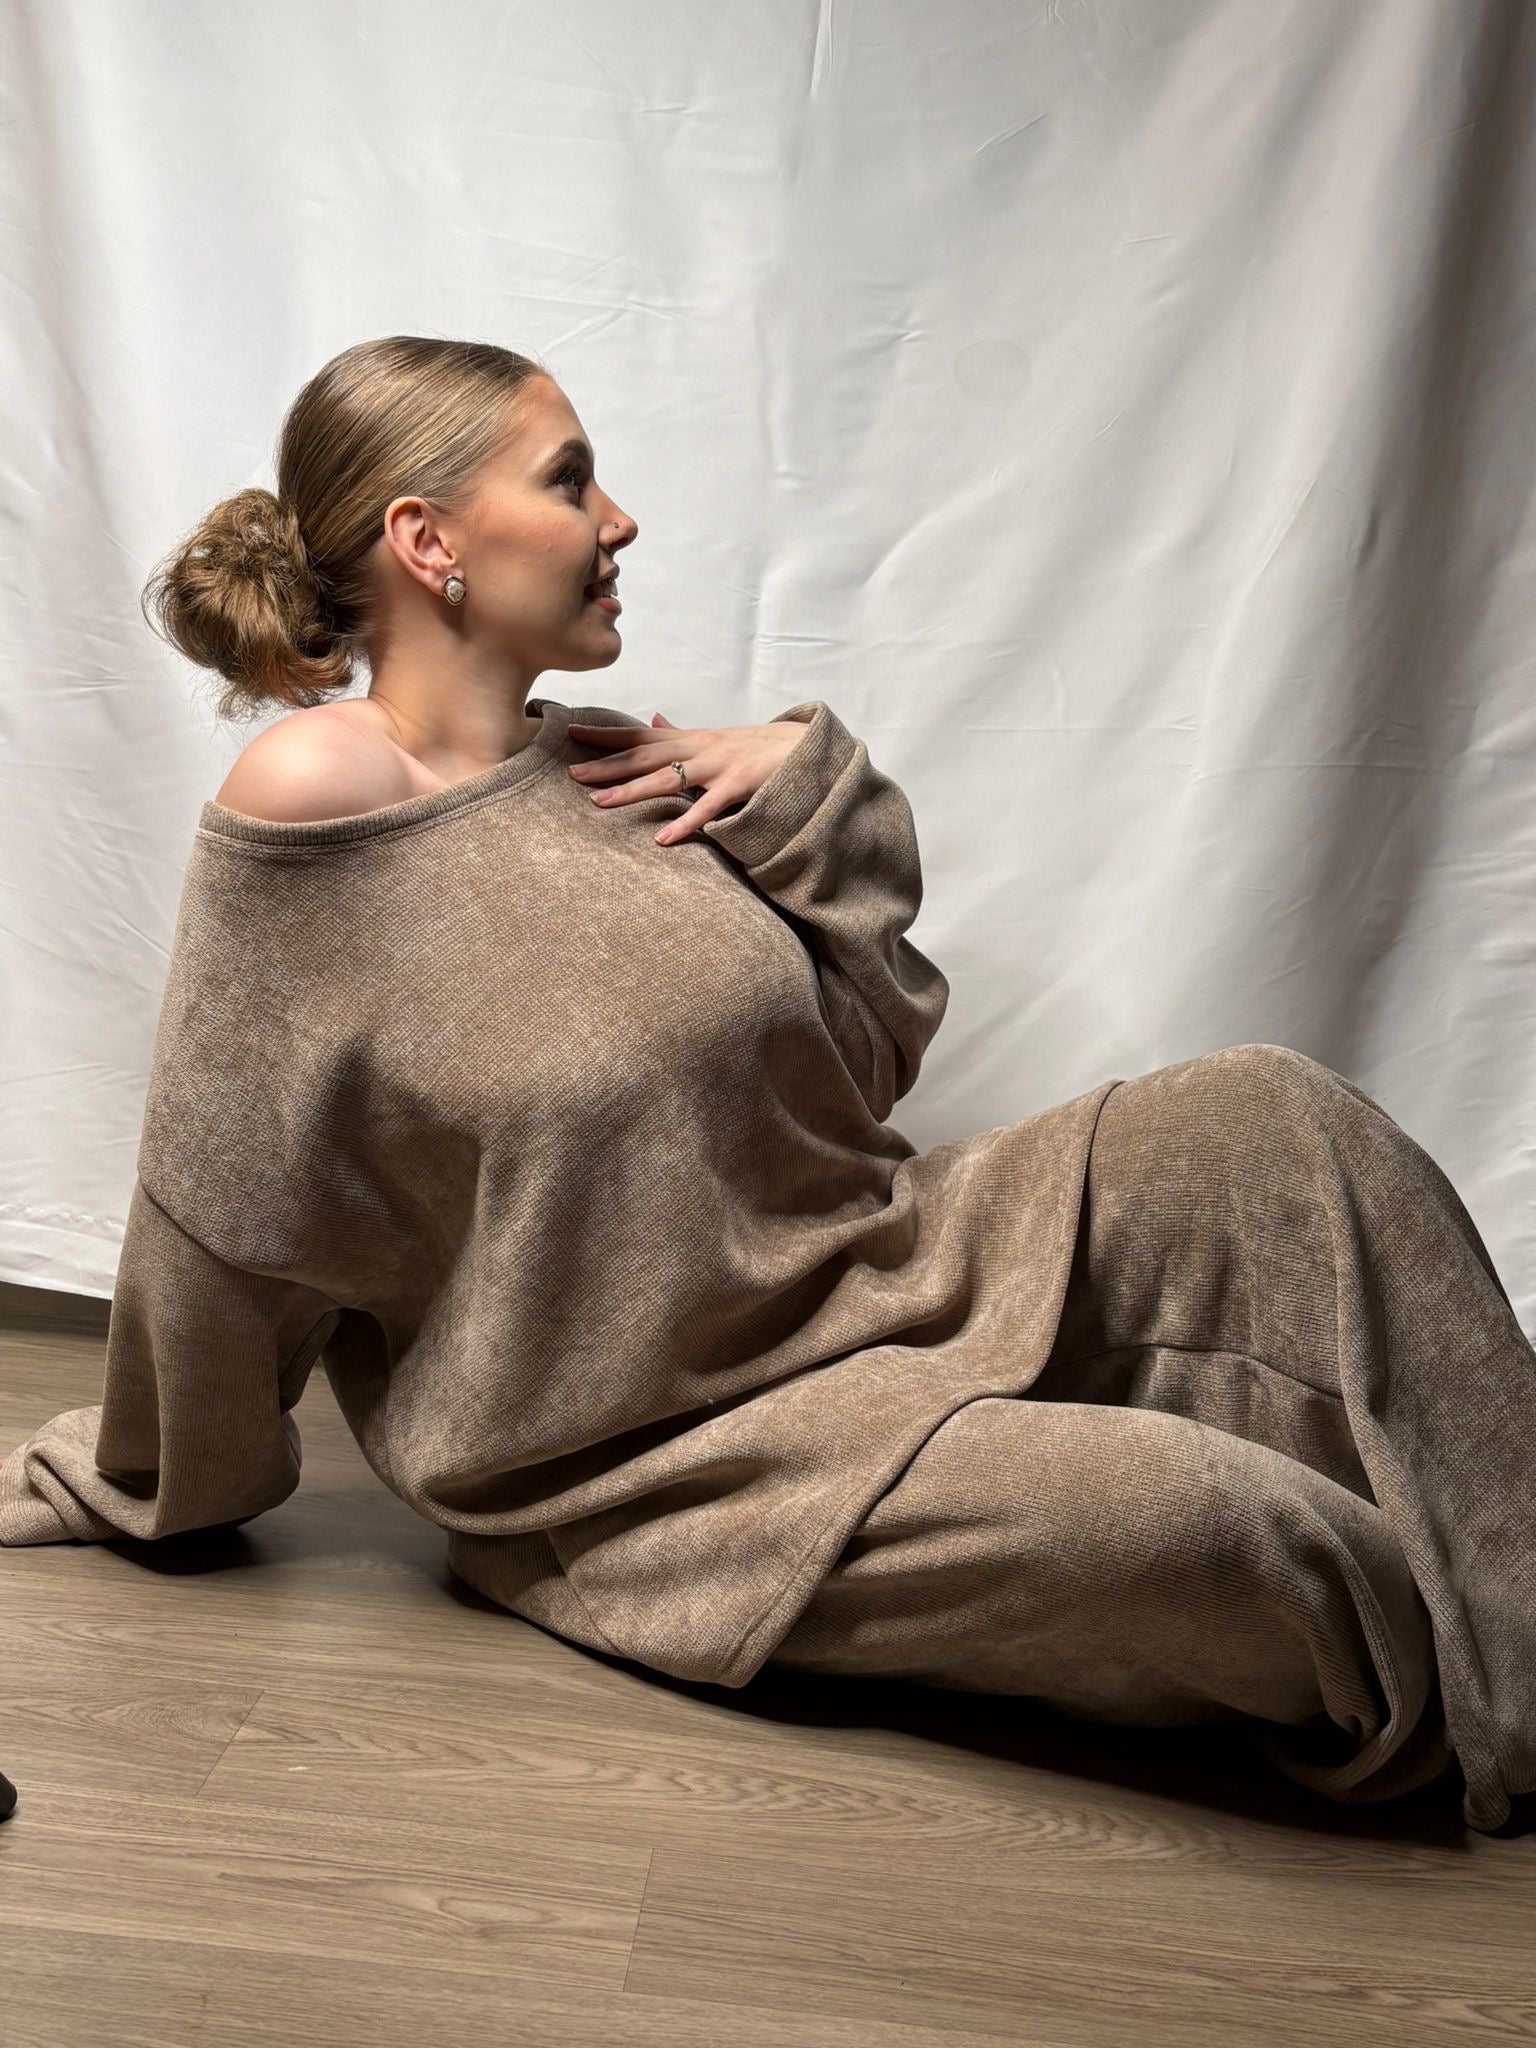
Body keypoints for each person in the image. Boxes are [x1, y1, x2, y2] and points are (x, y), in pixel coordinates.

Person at [4, 336, 1533, 1840]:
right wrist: (147, 1475)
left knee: (1280, 1122)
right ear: (429, 541)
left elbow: (862, 1062)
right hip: (672, 1473)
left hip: (887, 1279)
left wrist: (809, 792)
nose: (619, 521)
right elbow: (228, 1199)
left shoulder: (619, 768)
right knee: (1238, 1538)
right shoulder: (312, 803)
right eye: (571, 480)